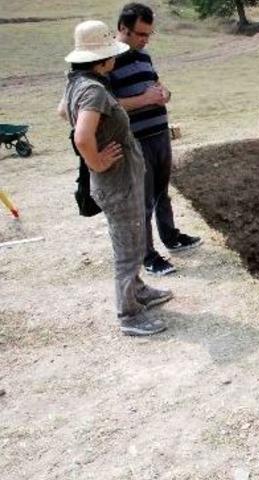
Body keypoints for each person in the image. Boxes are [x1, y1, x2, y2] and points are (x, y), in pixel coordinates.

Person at [60, 20, 171, 336]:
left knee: (133, 240)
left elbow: (61, 112)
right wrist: (97, 161)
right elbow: (82, 137)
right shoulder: (94, 90)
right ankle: (129, 315)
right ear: (103, 59)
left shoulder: (77, 84)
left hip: (121, 180)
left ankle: (137, 290)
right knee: (127, 248)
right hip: (117, 182)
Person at [111, 2, 202, 276]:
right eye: (140, 34)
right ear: (122, 29)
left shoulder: (144, 57)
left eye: (149, 34)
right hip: (137, 140)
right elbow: (106, 105)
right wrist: (143, 100)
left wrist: (165, 94)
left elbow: (159, 86)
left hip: (160, 134)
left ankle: (171, 237)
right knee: (143, 200)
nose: (145, 39)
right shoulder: (107, 61)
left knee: (162, 193)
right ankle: (147, 256)